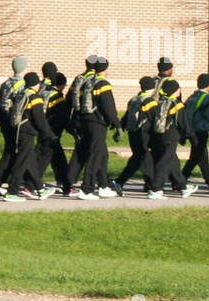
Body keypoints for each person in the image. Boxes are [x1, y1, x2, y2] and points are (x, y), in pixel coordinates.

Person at [1, 71, 57, 201]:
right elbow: (40, 120)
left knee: (30, 162)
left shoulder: (22, 94)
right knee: (21, 162)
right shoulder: (35, 98)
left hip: (20, 131)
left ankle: (40, 189)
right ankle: (12, 191)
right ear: (36, 84)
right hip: (28, 133)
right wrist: (49, 134)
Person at [144, 78, 198, 200]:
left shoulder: (160, 102)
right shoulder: (177, 104)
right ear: (175, 90)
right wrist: (192, 137)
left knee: (173, 163)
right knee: (164, 163)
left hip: (159, 136)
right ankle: (156, 189)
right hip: (171, 137)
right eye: (178, 88)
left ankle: (183, 187)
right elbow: (184, 123)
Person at [76, 56, 122, 199]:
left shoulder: (87, 82)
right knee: (95, 155)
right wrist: (117, 125)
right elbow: (108, 107)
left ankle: (103, 186)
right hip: (97, 123)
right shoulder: (103, 84)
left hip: (86, 120)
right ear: (106, 69)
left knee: (103, 155)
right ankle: (86, 189)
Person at [115, 76, 157, 195]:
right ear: (152, 88)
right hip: (144, 134)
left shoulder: (134, 100)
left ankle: (122, 181)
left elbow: (127, 116)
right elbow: (154, 118)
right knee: (146, 158)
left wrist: (120, 128)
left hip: (132, 133)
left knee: (138, 159)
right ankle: (152, 185)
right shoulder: (150, 102)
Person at [63, 55, 98, 196]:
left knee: (79, 152)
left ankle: (68, 184)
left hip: (77, 118)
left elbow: (69, 99)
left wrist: (69, 120)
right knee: (94, 153)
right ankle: (97, 185)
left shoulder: (78, 79)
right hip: (90, 119)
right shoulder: (94, 80)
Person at [0, 56, 30, 190]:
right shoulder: (22, 84)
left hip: (4, 120)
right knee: (13, 152)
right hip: (15, 121)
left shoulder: (6, 83)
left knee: (10, 151)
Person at [37, 70, 72, 194]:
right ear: (61, 84)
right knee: (43, 160)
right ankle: (31, 184)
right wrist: (73, 131)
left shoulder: (43, 92)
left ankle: (66, 185)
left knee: (59, 159)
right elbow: (63, 118)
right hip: (52, 132)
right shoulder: (57, 97)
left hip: (42, 129)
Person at [181, 73, 209, 188]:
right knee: (198, 156)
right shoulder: (207, 98)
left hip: (191, 130)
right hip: (201, 130)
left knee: (199, 156)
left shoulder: (192, 97)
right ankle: (181, 179)